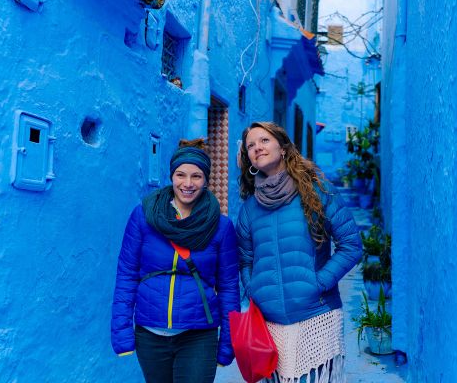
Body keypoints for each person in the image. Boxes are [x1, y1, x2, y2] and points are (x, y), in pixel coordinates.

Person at [236, 122, 362, 383]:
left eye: (264, 140)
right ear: (248, 158)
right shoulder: (248, 209)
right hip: (267, 324)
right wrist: (254, 289)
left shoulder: (316, 191)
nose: (257, 147)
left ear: (282, 148)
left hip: (316, 316)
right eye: (251, 145)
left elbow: (351, 245)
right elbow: (245, 259)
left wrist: (317, 283)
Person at [111, 139, 239, 383]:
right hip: (150, 333)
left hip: (199, 334)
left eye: (196, 176)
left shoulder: (221, 227)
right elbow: (126, 274)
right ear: (171, 176)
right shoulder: (143, 217)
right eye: (181, 175)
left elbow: (229, 288)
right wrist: (121, 333)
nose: (188, 184)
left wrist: (228, 343)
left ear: (206, 180)